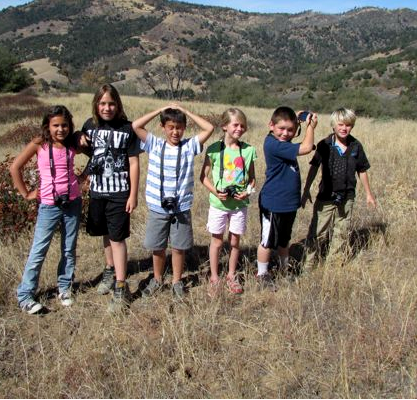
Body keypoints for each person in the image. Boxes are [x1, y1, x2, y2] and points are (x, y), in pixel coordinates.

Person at [132, 103, 214, 299]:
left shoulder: (189, 146)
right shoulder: (154, 144)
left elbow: (209, 128)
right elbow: (136, 125)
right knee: (157, 247)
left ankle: (177, 280)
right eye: (170, 127)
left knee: (179, 247)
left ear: (184, 128)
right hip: (157, 206)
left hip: (181, 206)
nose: (175, 132)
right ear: (163, 127)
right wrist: (160, 109)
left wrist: (185, 111)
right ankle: (158, 279)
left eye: (179, 127)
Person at [11, 105, 85, 314]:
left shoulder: (72, 144)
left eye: (64, 125)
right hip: (49, 206)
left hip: (72, 202)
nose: (60, 129)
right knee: (38, 250)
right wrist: (27, 193)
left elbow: (95, 153)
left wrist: (83, 177)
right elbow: (15, 167)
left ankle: (65, 287)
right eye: (55, 125)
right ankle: (25, 295)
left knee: (69, 248)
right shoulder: (39, 144)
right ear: (47, 126)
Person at [78, 84, 141, 312]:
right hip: (97, 190)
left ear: (118, 105)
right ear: (96, 104)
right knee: (105, 233)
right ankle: (109, 269)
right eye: (103, 103)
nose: (107, 108)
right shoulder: (90, 125)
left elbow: (134, 163)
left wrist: (133, 194)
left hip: (119, 192)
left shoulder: (127, 128)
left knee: (117, 238)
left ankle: (121, 285)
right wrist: (79, 137)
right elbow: (85, 146)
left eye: (111, 103)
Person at [301, 107, 376, 266]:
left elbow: (362, 170)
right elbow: (314, 167)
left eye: (348, 125)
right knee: (317, 231)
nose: (344, 128)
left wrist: (369, 194)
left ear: (352, 126)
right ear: (333, 126)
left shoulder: (356, 146)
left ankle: (334, 264)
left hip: (347, 196)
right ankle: (308, 264)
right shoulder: (324, 145)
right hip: (326, 196)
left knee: (342, 230)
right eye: (340, 125)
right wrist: (306, 189)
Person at [257, 106, 318, 291]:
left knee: (284, 240)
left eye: (290, 130)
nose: (285, 133)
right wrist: (311, 127)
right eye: (281, 128)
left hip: (288, 203)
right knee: (267, 241)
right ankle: (262, 274)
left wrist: (297, 117)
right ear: (271, 126)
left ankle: (284, 270)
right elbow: (307, 147)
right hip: (273, 203)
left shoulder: (282, 143)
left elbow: (294, 135)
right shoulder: (272, 144)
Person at [199, 108, 256, 296]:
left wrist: (247, 192)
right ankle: (214, 277)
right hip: (219, 204)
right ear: (224, 126)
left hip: (239, 205)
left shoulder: (248, 151)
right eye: (235, 125)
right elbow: (203, 177)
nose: (239, 128)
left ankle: (231, 275)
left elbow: (252, 179)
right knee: (216, 241)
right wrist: (216, 191)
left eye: (242, 125)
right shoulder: (214, 149)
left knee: (234, 241)